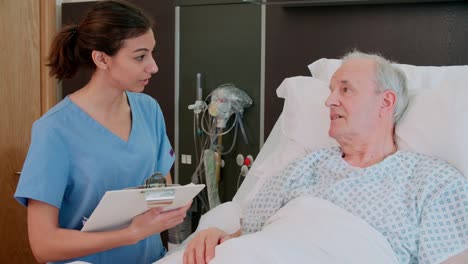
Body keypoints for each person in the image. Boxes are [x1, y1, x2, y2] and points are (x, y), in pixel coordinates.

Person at [182, 51, 468, 264]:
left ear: (386, 102)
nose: (329, 100)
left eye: (345, 89)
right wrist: (216, 235)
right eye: (331, 90)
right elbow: (251, 238)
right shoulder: (306, 166)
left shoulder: (432, 182)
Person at [14, 1, 191, 263]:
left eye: (152, 54)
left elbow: (160, 188)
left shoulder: (148, 110)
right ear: (101, 59)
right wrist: (131, 233)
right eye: (140, 56)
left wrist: (176, 202)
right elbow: (43, 245)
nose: (153, 67)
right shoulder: (54, 130)